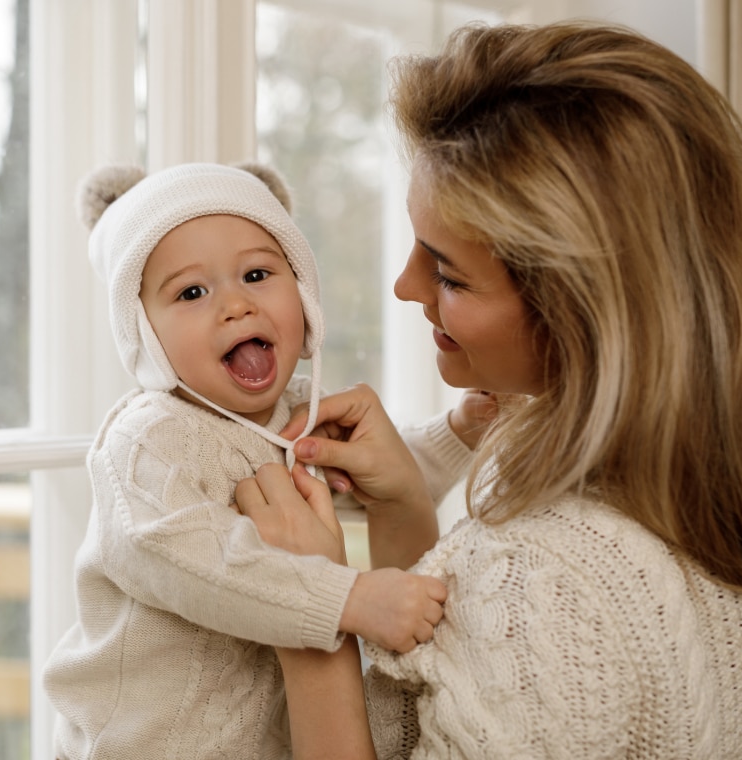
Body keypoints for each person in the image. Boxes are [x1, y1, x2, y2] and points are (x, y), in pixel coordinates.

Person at [235, 21, 742, 760]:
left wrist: (303, 608)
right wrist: (407, 512)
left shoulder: (538, 583)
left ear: (579, 312)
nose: (405, 285)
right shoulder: (692, 504)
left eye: (448, 273)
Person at [41, 161, 485, 760]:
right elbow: (194, 560)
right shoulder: (147, 441)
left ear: (303, 293)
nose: (235, 306)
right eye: (192, 292)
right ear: (145, 335)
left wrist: (458, 431)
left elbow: (375, 475)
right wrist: (347, 598)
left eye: (256, 274)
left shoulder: (297, 412)